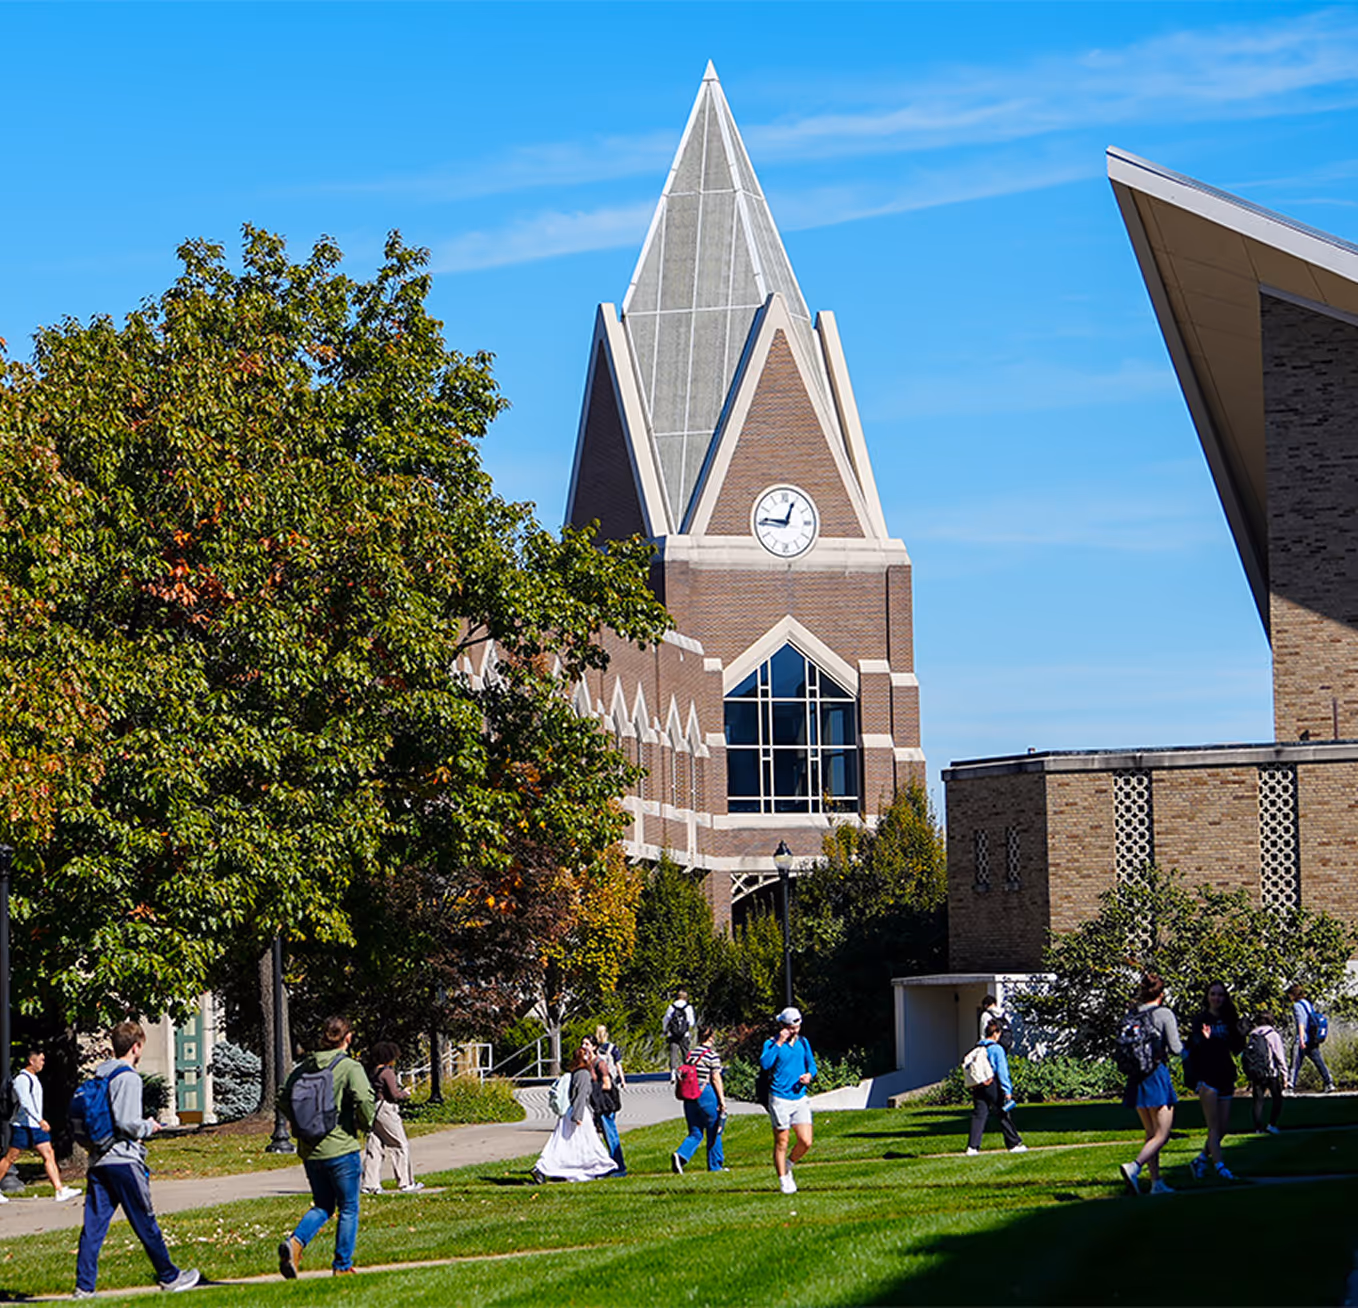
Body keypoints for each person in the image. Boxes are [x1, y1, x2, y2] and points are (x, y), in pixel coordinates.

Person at [74, 1021, 201, 1297]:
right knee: (145, 1222)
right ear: (136, 1047)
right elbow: (127, 1122)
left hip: (98, 1161)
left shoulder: (100, 1076)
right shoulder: (129, 1077)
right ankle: (169, 1276)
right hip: (123, 1160)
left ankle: (84, 1287)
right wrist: (149, 1126)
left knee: (93, 1228)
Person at [278, 1016, 376, 1280]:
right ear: (348, 1037)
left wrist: (300, 1125)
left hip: (311, 1151)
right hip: (341, 1147)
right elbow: (364, 1098)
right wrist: (366, 1124)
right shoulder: (349, 1067)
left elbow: (282, 1097)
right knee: (348, 1207)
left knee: (322, 1205)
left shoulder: (304, 1067)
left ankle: (296, 1243)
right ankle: (342, 1265)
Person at [1118, 971, 1183, 1197]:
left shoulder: (1132, 1013)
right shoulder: (1164, 1013)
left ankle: (1156, 1183)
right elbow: (1175, 1048)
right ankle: (1134, 1167)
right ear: (1161, 994)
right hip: (1156, 1074)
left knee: (1150, 1133)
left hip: (1136, 1077)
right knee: (1163, 1134)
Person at [0, 1047, 80, 1203]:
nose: (43, 1063)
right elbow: (26, 1103)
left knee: (48, 1153)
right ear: (32, 1060)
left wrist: (38, 1121)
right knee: (11, 1157)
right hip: (23, 1125)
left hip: (35, 1126)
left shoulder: (34, 1078)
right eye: (41, 1059)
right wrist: (40, 1120)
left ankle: (59, 1189)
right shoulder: (22, 1079)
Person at [1186, 979, 1246, 1183]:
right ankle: (1220, 1167)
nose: (1217, 998)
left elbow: (1237, 1047)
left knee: (1222, 1128)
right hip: (1206, 1074)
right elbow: (1193, 1047)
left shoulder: (1229, 1019)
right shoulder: (1200, 1019)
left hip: (1225, 1073)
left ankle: (1201, 1159)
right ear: (1207, 996)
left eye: (1220, 994)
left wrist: (1240, 1032)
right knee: (1213, 1126)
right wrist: (1203, 1038)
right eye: (1213, 994)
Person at [531, 1045, 617, 1183]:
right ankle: (602, 1167)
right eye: (587, 1054)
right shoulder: (583, 1074)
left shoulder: (575, 1073)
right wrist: (578, 1116)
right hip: (579, 1113)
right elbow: (580, 1095)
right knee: (590, 1144)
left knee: (563, 1144)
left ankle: (545, 1168)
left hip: (571, 1113)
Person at [759, 1006, 817, 1194]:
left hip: (799, 1097)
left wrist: (809, 1075)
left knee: (806, 1141)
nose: (794, 1031)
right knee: (782, 1141)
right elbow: (765, 1063)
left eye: (797, 1026)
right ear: (782, 1026)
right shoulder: (771, 1043)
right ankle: (783, 1180)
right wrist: (780, 1042)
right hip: (779, 1098)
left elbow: (812, 1065)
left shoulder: (803, 1042)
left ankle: (789, 1164)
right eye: (791, 1027)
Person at [361, 1041, 422, 1195]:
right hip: (386, 1109)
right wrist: (405, 1094)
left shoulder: (374, 1071)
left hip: (375, 1109)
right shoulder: (388, 1072)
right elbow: (394, 1095)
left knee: (375, 1146)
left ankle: (369, 1184)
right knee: (400, 1144)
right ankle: (406, 1182)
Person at [964, 1019, 1027, 1156]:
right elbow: (1002, 1071)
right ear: (996, 1033)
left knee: (979, 1115)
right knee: (1002, 1113)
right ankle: (1013, 1143)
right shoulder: (997, 1049)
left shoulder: (978, 1048)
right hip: (992, 1084)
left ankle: (972, 1147)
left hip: (979, 1084)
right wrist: (1007, 1090)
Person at [671, 1024, 728, 1175]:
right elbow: (715, 1078)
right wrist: (722, 1101)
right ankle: (715, 1165)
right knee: (714, 1130)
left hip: (690, 1095)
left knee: (695, 1132)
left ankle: (681, 1155)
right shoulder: (712, 1056)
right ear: (712, 1037)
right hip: (705, 1093)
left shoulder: (690, 1055)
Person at [589, 1036, 626, 1177]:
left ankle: (619, 1167)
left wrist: (591, 1089)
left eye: (587, 1044)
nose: (584, 1046)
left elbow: (607, 1084)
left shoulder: (600, 1063)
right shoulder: (589, 1063)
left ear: (594, 1047)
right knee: (600, 1136)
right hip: (596, 1105)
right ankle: (605, 1165)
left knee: (610, 1135)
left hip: (604, 1104)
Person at [1288, 982, 1336, 1092]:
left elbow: (1301, 1022)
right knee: (1319, 1061)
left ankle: (1290, 1086)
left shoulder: (1297, 1006)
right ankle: (1329, 1082)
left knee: (1295, 1063)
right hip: (1312, 1038)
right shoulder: (1307, 1003)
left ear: (1293, 995)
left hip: (1303, 1038)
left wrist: (1300, 1039)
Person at [1245, 1012, 1288, 1134]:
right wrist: (1285, 1074)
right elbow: (1279, 1055)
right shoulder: (1272, 1035)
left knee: (1258, 1101)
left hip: (1257, 1072)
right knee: (1277, 1099)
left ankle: (1258, 1128)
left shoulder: (1253, 1034)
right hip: (1271, 1072)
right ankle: (1272, 1124)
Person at [663, 990, 696, 1077]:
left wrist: (665, 1030)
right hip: (684, 1034)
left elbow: (666, 1019)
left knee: (673, 1052)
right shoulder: (688, 1007)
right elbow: (691, 1022)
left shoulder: (671, 1007)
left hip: (673, 1034)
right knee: (685, 1052)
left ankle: (673, 1072)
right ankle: (686, 1071)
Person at [594, 1024, 627, 1091]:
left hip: (598, 1077)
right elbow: (618, 1064)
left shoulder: (594, 1047)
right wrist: (622, 1080)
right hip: (611, 1076)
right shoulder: (612, 1047)